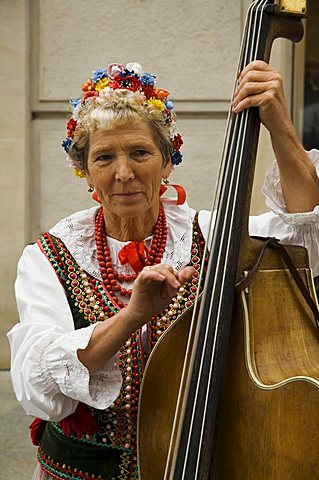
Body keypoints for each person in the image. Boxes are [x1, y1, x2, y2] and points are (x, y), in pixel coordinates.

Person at [7, 60, 319, 480]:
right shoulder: (50, 256)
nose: (124, 173)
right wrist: (132, 316)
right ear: (86, 173)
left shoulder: (213, 236)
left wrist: (279, 124)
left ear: (167, 162)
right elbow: (38, 386)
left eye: (140, 152)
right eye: (104, 157)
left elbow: (303, 236)